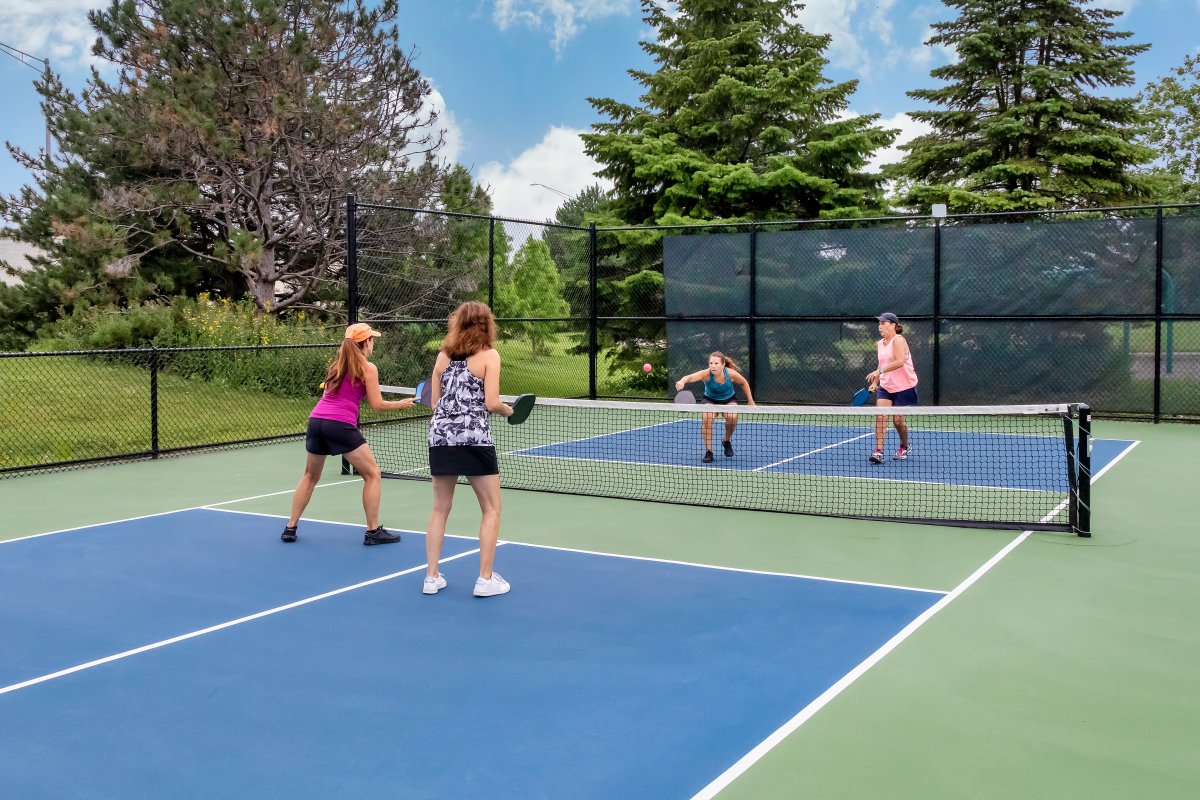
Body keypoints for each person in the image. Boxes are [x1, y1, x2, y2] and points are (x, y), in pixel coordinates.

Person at [282, 323, 416, 544]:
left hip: (316, 421)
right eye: (371, 339)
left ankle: (290, 527)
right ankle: (373, 532)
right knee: (372, 474)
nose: (373, 343)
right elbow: (376, 404)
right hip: (339, 425)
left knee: (310, 475)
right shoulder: (368, 368)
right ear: (365, 343)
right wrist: (400, 404)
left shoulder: (335, 366)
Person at [423, 301, 513, 598]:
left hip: (440, 436)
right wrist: (508, 411)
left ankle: (431, 577)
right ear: (487, 324)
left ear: (458, 324)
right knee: (491, 509)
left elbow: (434, 403)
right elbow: (491, 402)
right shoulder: (489, 356)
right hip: (474, 438)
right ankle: (485, 580)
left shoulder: (442, 358)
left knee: (439, 509)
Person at [674, 351, 755, 463]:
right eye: (711, 363)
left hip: (728, 400)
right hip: (710, 400)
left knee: (732, 417)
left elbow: (744, 382)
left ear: (722, 364)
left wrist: (750, 401)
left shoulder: (731, 373)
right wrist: (682, 382)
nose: (713, 366)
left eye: (716, 363)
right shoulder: (706, 374)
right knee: (707, 418)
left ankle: (726, 441)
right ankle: (709, 452)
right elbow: (690, 377)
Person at [865, 312, 919, 464]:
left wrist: (879, 372)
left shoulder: (899, 340)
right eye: (879, 323)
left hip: (904, 386)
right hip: (886, 386)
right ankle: (878, 451)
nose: (880, 326)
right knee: (881, 416)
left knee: (897, 421)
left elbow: (899, 361)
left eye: (883, 323)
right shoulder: (879, 344)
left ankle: (904, 445)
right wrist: (876, 382)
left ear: (893, 325)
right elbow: (881, 364)